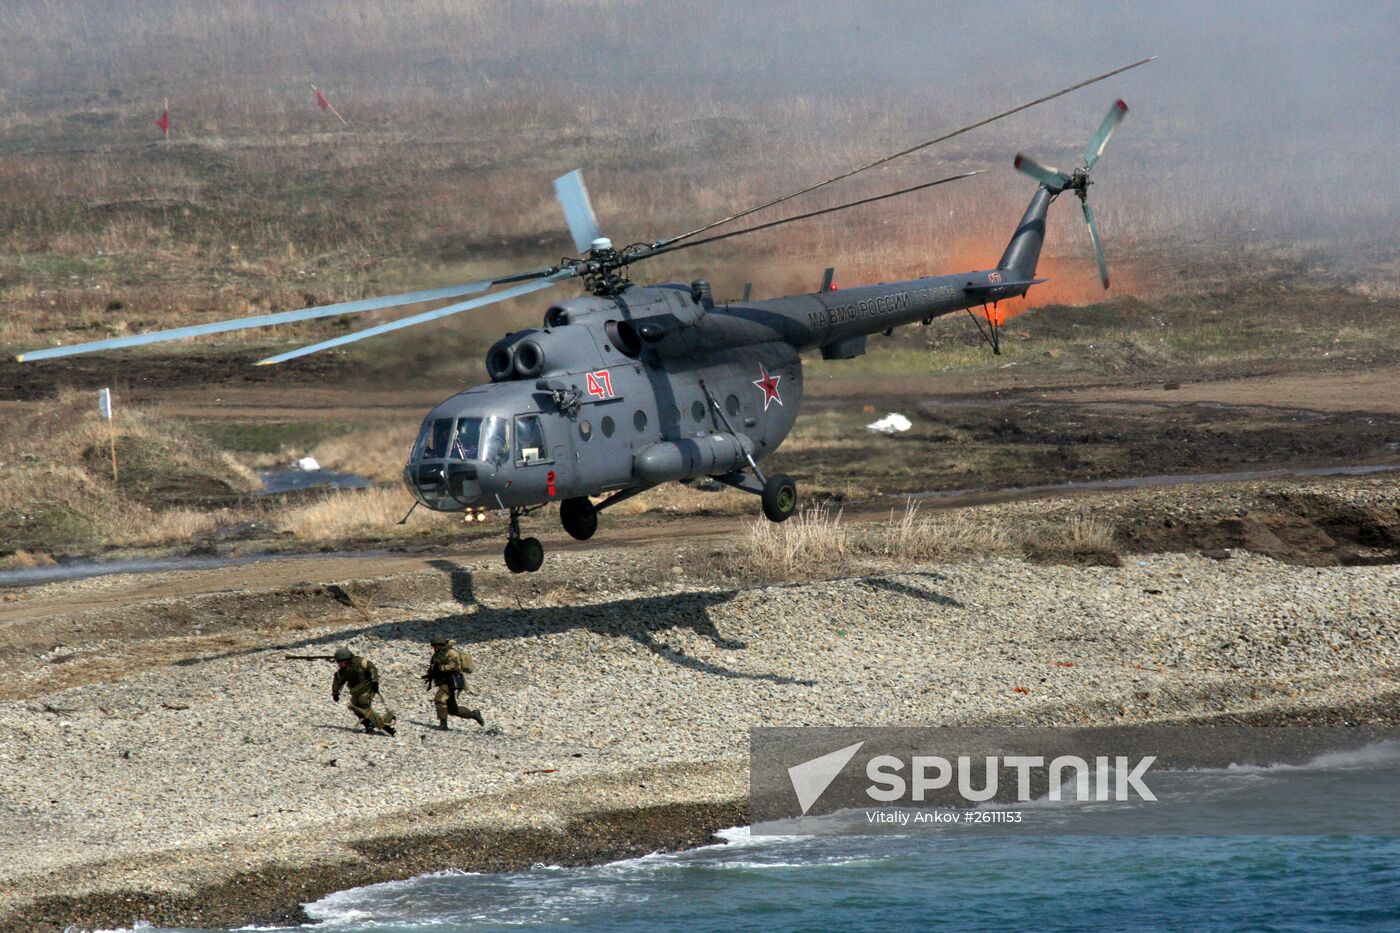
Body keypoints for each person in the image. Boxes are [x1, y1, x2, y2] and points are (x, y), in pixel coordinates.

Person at [331, 646, 396, 736]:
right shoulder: (343, 671)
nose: (340, 664)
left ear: (348, 659)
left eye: (342, 661)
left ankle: (384, 726)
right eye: (338, 662)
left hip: (367, 688)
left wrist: (375, 681)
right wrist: (335, 693)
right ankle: (367, 723)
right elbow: (337, 681)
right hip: (356, 691)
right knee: (354, 705)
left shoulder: (360, 662)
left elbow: (372, 668)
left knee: (363, 704)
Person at [423, 636, 485, 730]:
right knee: (453, 709)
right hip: (443, 680)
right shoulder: (437, 654)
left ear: (441, 645)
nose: (434, 648)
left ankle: (443, 724)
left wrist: (441, 668)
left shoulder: (452, 653)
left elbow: (454, 666)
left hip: (450, 681)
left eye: (436, 646)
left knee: (439, 699)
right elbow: (434, 665)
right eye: (433, 646)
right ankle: (473, 714)